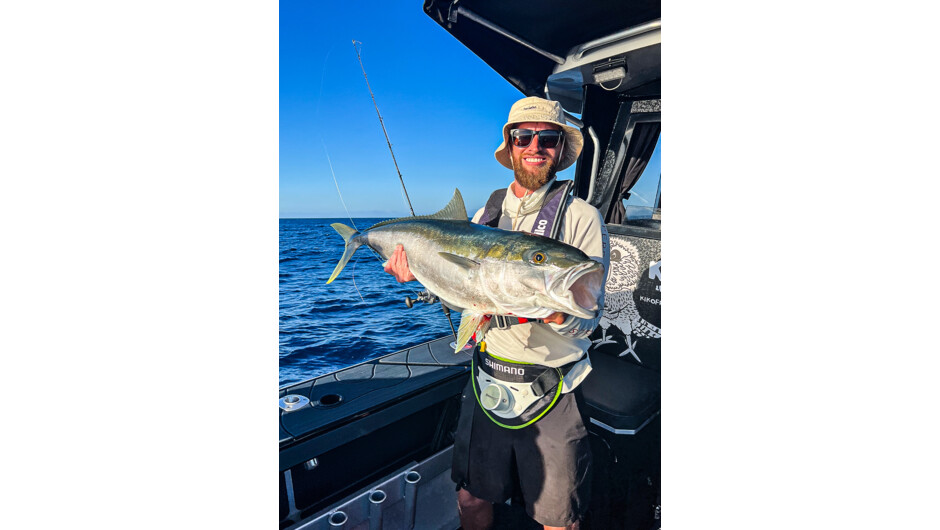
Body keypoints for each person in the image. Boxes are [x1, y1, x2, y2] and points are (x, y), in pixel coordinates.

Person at [384, 96, 609, 530]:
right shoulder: (484, 216)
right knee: (469, 501)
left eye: (548, 138)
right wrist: (422, 275)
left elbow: (590, 312)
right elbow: (466, 297)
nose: (535, 146)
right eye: (524, 137)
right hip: (488, 375)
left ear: (560, 149)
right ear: (511, 146)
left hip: (553, 384)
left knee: (558, 519)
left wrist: (558, 314)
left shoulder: (582, 218)